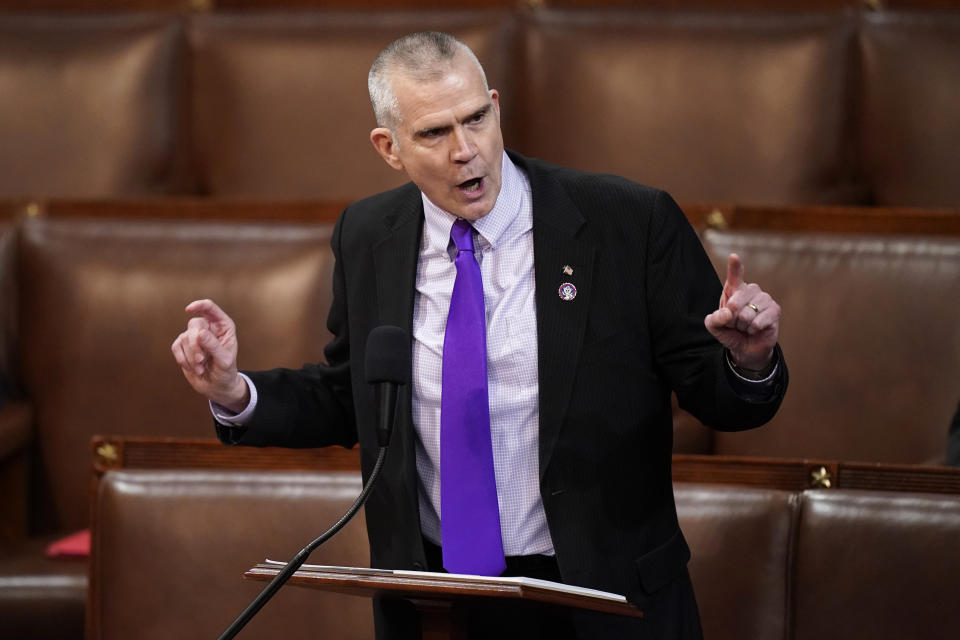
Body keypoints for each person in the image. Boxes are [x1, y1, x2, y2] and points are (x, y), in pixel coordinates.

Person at [171, 32, 787, 640]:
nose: (466, 150)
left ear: (495, 106)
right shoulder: (368, 235)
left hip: (601, 602)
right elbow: (352, 397)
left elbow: (720, 400)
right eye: (434, 133)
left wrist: (750, 362)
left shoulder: (628, 222)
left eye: (476, 119)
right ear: (389, 147)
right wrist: (234, 391)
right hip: (436, 606)